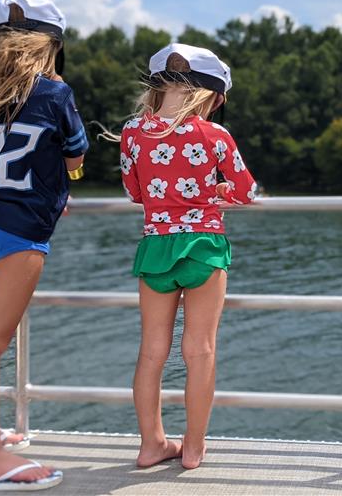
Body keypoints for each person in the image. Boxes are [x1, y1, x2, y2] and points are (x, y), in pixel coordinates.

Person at [0, 0, 89, 491]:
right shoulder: (55, 93)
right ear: (49, 45)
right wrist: (66, 178)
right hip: (22, 231)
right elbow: (75, 148)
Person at [119, 43, 257, 470]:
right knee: (199, 350)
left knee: (151, 352)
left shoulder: (132, 132)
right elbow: (246, 191)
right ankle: (193, 449)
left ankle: (150, 445)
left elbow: (134, 193)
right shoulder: (214, 135)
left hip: (156, 246)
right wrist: (214, 191)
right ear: (211, 96)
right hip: (203, 245)